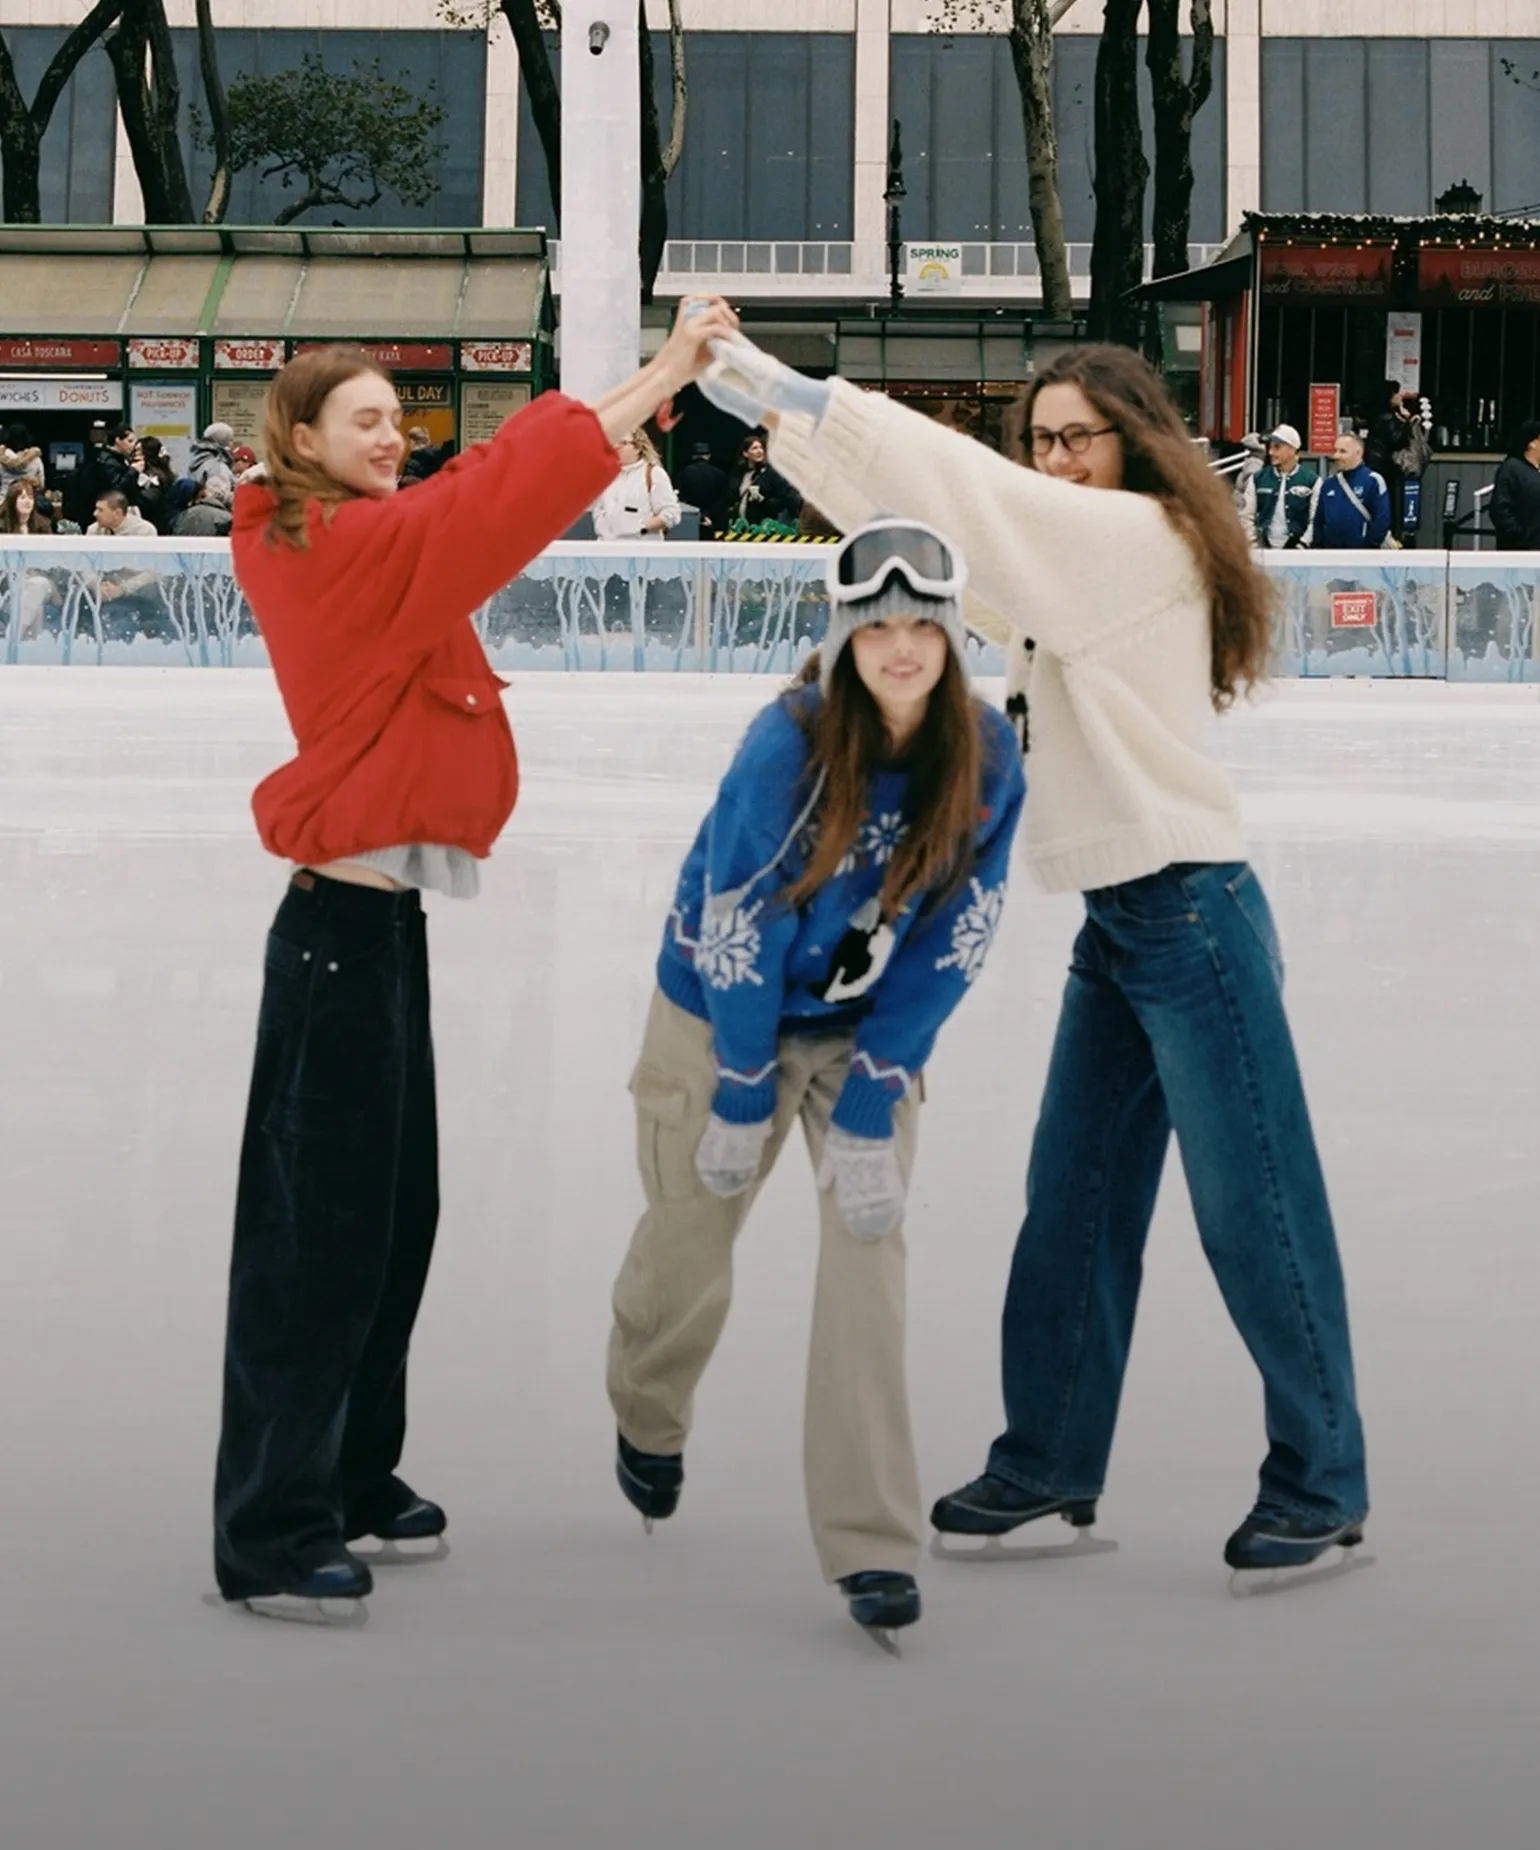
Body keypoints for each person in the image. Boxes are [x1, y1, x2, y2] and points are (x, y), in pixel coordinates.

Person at [697, 335, 1369, 1584]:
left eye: (1076, 437)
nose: (1053, 460)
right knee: (1073, 1200)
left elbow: (974, 496)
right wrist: (786, 433)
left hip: (1190, 914)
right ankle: (1051, 1452)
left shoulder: (1136, 538)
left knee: (1255, 1209)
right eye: (1040, 439)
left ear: (1135, 440)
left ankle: (1322, 1477)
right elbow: (947, 540)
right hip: (1124, 923)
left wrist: (798, 394)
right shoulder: (1081, 564)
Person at [212, 295, 740, 1625]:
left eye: (399, 417)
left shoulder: (371, 539)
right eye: (365, 420)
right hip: (336, 943)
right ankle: (271, 1527)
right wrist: (667, 368)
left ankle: (348, 1471)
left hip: (379, 937)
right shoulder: (329, 546)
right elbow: (502, 497)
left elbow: (492, 493)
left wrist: (655, 381)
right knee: (316, 1241)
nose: (393, 436)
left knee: (391, 1223)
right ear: (301, 439)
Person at [607, 517, 1023, 1647]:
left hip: (858, 1032)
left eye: (922, 628)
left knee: (867, 1259)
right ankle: (647, 1406)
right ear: (843, 640)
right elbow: (736, 921)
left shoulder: (986, 756)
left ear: (952, 638)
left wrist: (880, 1090)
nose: (901, 648)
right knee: (690, 1235)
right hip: (719, 1013)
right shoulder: (785, 744)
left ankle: (870, 1540)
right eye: (876, 629)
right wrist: (743, 1085)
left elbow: (956, 939)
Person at [1366, 382, 1430, 545]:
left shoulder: (1378, 415)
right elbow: (1398, 440)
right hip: (1385, 466)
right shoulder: (1386, 418)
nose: (1399, 396)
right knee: (1388, 506)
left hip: (1378, 464)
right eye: (1396, 393)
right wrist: (1407, 422)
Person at [1238, 422, 1319, 550]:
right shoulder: (1258, 478)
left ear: (1292, 449)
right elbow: (1246, 515)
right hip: (1262, 549)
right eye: (1270, 447)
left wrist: (1302, 545)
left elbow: (1315, 520)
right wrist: (1254, 543)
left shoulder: (1312, 480)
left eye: (1277, 447)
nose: (1271, 452)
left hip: (1298, 551)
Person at [591, 427, 681, 539]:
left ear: (638, 448)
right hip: (606, 545)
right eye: (614, 442)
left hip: (640, 546)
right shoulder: (607, 476)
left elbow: (671, 512)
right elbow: (599, 510)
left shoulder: (654, 474)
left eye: (623, 443)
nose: (616, 447)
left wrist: (643, 528)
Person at [1312, 432, 1391, 550]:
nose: (1336, 456)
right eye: (1335, 451)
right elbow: (1318, 522)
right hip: (1331, 556)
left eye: (1343, 451)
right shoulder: (1328, 484)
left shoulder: (1373, 481)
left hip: (1362, 556)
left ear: (1358, 453)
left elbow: (1382, 521)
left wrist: (1367, 548)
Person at [1, 479, 58, 640]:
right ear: (12, 500)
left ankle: (13, 637)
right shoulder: (1, 525)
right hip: (10, 587)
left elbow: (51, 561)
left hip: (42, 581)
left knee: (38, 584)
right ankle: (27, 648)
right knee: (35, 607)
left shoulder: (43, 525)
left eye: (31, 498)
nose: (28, 502)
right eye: (23, 497)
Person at [730, 431, 800, 531]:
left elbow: (785, 500)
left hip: (765, 528)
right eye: (754, 448)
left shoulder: (771, 474)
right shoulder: (741, 474)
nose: (759, 451)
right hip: (742, 526)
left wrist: (763, 500)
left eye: (761, 448)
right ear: (745, 453)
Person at [1489, 420, 1540, 551]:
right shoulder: (1511, 469)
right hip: (1521, 550)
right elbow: (1499, 510)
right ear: (1533, 443)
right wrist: (1521, 537)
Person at [676, 440, 731, 538]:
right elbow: (724, 500)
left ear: (693, 456)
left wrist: (700, 516)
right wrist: (710, 516)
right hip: (714, 523)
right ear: (708, 456)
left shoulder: (683, 474)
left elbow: (681, 499)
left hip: (690, 521)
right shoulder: (720, 475)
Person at [189, 421, 236, 493]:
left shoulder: (198, 460)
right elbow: (220, 495)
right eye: (231, 440)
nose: (233, 444)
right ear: (223, 442)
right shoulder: (217, 467)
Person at [88, 489, 157, 538]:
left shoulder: (145, 531)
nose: (95, 513)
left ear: (117, 513)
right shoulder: (93, 530)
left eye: (100, 510)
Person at [0, 422, 46, 495]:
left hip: (4, 498)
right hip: (28, 498)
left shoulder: (1, 458)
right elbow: (41, 485)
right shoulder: (36, 459)